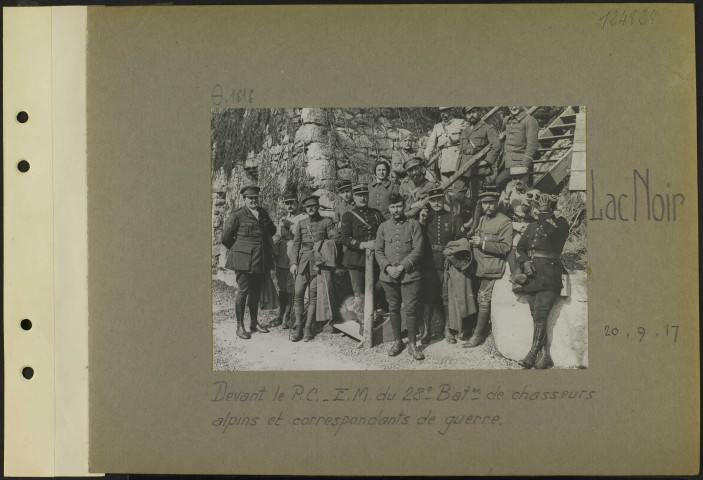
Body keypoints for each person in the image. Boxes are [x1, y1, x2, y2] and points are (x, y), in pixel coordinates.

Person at [516, 192, 569, 369]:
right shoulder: (532, 226)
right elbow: (521, 248)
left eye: (542, 208)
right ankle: (545, 356)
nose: (538, 211)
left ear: (551, 210)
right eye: (538, 208)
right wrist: (525, 262)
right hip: (532, 277)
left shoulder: (559, 224)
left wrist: (548, 214)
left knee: (540, 311)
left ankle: (532, 355)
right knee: (536, 315)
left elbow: (554, 234)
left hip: (550, 276)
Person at [220, 185, 276, 340]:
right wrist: (238, 251)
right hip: (243, 260)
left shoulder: (262, 213)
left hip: (260, 259)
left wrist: (267, 226)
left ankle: (254, 322)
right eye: (250, 198)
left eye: (255, 198)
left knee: (256, 291)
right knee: (243, 291)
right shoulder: (237, 215)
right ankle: (240, 326)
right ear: (244, 199)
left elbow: (272, 231)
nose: (253, 200)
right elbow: (225, 238)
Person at [375, 192, 425, 360]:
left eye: (398, 206)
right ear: (388, 208)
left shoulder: (414, 224)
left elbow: (418, 250)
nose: (396, 210)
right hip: (389, 277)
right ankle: (398, 341)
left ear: (404, 206)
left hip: (409, 275)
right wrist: (388, 267)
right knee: (393, 308)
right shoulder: (383, 227)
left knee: (411, 309)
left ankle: (412, 344)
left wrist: (403, 266)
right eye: (392, 207)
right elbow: (378, 250)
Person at [463, 190, 512, 348]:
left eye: (491, 202)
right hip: (478, 266)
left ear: (497, 202)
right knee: (474, 297)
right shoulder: (482, 219)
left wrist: (482, 244)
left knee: (484, 299)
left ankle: (478, 335)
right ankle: (471, 328)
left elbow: (505, 248)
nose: (488, 206)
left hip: (492, 267)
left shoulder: (504, 221)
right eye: (485, 203)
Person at [418, 187, 467, 345]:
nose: (436, 203)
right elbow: (417, 236)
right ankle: (427, 331)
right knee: (428, 296)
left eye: (439, 199)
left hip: (447, 262)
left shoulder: (453, 218)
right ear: (429, 202)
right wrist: (422, 221)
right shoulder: (425, 218)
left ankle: (448, 329)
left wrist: (451, 254)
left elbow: (461, 240)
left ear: (444, 200)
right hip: (429, 263)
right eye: (433, 200)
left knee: (447, 296)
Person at [289, 195, 337, 342]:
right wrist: (293, 263)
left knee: (313, 296)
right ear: (305, 208)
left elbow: (334, 240)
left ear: (318, 207)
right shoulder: (301, 223)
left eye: (313, 206)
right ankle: (298, 326)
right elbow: (296, 245)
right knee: (298, 294)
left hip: (318, 264)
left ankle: (308, 328)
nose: (310, 209)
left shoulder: (326, 222)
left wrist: (323, 247)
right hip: (302, 262)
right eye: (308, 207)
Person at [340, 183, 386, 333]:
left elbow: (385, 231)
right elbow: (345, 239)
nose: (363, 198)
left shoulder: (377, 214)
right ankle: (362, 322)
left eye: (365, 195)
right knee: (359, 292)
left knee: (379, 286)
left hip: (375, 258)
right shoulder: (348, 215)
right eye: (359, 195)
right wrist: (363, 244)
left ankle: (374, 315)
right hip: (356, 259)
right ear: (354, 197)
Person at [459, 106, 502, 223]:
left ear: (479, 112)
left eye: (473, 112)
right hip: (463, 169)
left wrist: (487, 161)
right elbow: (462, 148)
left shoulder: (487, 128)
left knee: (477, 199)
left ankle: (475, 225)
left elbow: (496, 146)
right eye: (468, 113)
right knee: (457, 196)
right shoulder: (465, 130)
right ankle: (462, 222)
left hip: (478, 170)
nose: (471, 115)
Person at [271, 193, 306, 328]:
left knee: (292, 285)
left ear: (297, 203)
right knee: (282, 285)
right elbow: (278, 236)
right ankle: (281, 313)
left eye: (292, 202)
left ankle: (289, 315)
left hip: (294, 254)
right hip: (282, 255)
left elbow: (301, 234)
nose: (290, 206)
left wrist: (289, 224)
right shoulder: (283, 218)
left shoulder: (303, 217)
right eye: (287, 203)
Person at [496, 106, 539, 192]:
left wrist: (524, 165)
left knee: (499, 183)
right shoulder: (507, 120)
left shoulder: (529, 120)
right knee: (504, 191)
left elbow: (532, 145)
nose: (513, 106)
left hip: (519, 164)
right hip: (504, 162)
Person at [424, 107, 466, 191]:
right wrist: (426, 157)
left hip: (457, 159)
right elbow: (431, 143)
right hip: (444, 162)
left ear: (451, 111)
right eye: (441, 112)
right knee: (446, 188)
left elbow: (467, 138)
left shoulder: (460, 122)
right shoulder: (437, 127)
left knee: (459, 187)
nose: (442, 113)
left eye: (445, 111)